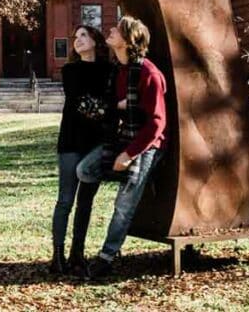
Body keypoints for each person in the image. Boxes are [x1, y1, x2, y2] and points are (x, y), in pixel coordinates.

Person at [76, 16, 167, 278]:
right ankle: (130, 181)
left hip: (147, 146)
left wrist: (128, 155)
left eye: (116, 29)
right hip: (122, 138)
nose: (111, 30)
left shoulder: (149, 74)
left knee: (123, 206)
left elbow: (157, 124)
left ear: (128, 40)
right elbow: (109, 106)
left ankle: (106, 257)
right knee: (84, 170)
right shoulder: (118, 70)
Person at [50, 25, 112, 276]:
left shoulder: (109, 70)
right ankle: (57, 256)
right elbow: (80, 103)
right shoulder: (70, 70)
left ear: (96, 41)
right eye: (75, 37)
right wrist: (109, 109)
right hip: (71, 141)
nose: (77, 41)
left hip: (95, 144)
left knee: (85, 202)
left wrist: (107, 108)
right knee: (65, 200)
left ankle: (78, 254)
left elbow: (98, 102)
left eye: (83, 35)